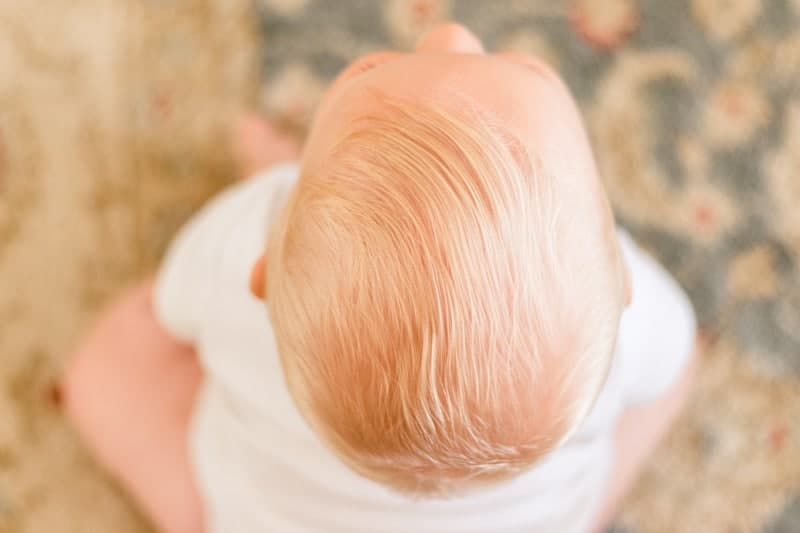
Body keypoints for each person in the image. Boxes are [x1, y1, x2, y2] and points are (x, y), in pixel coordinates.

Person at [63, 23, 697, 533]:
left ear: (263, 275)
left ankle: (299, 191)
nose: (448, 35)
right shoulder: (623, 323)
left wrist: (275, 201)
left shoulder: (240, 248)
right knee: (680, 367)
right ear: (621, 281)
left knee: (103, 368)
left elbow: (175, 304)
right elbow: (672, 350)